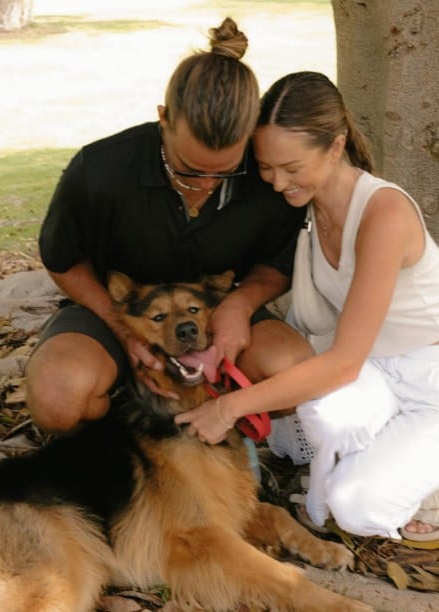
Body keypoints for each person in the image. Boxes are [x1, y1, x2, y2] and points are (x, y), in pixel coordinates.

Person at [175, 71, 439, 542]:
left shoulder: (384, 214)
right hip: (374, 371)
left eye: (291, 168)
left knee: (357, 508)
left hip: (426, 376)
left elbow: (342, 363)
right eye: (267, 167)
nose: (277, 183)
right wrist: (234, 302)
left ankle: (418, 482)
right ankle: (384, 460)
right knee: (326, 420)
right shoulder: (305, 204)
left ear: (336, 146)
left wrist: (228, 409)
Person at [25, 18, 310, 436]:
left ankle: (219, 422)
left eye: (226, 172)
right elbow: (63, 260)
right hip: (118, 312)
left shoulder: (270, 174)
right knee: (57, 397)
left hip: (214, 312)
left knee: (293, 372)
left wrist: (240, 305)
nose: (207, 184)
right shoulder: (101, 169)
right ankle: (126, 430)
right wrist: (123, 327)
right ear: (163, 119)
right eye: (190, 169)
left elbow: (275, 266)